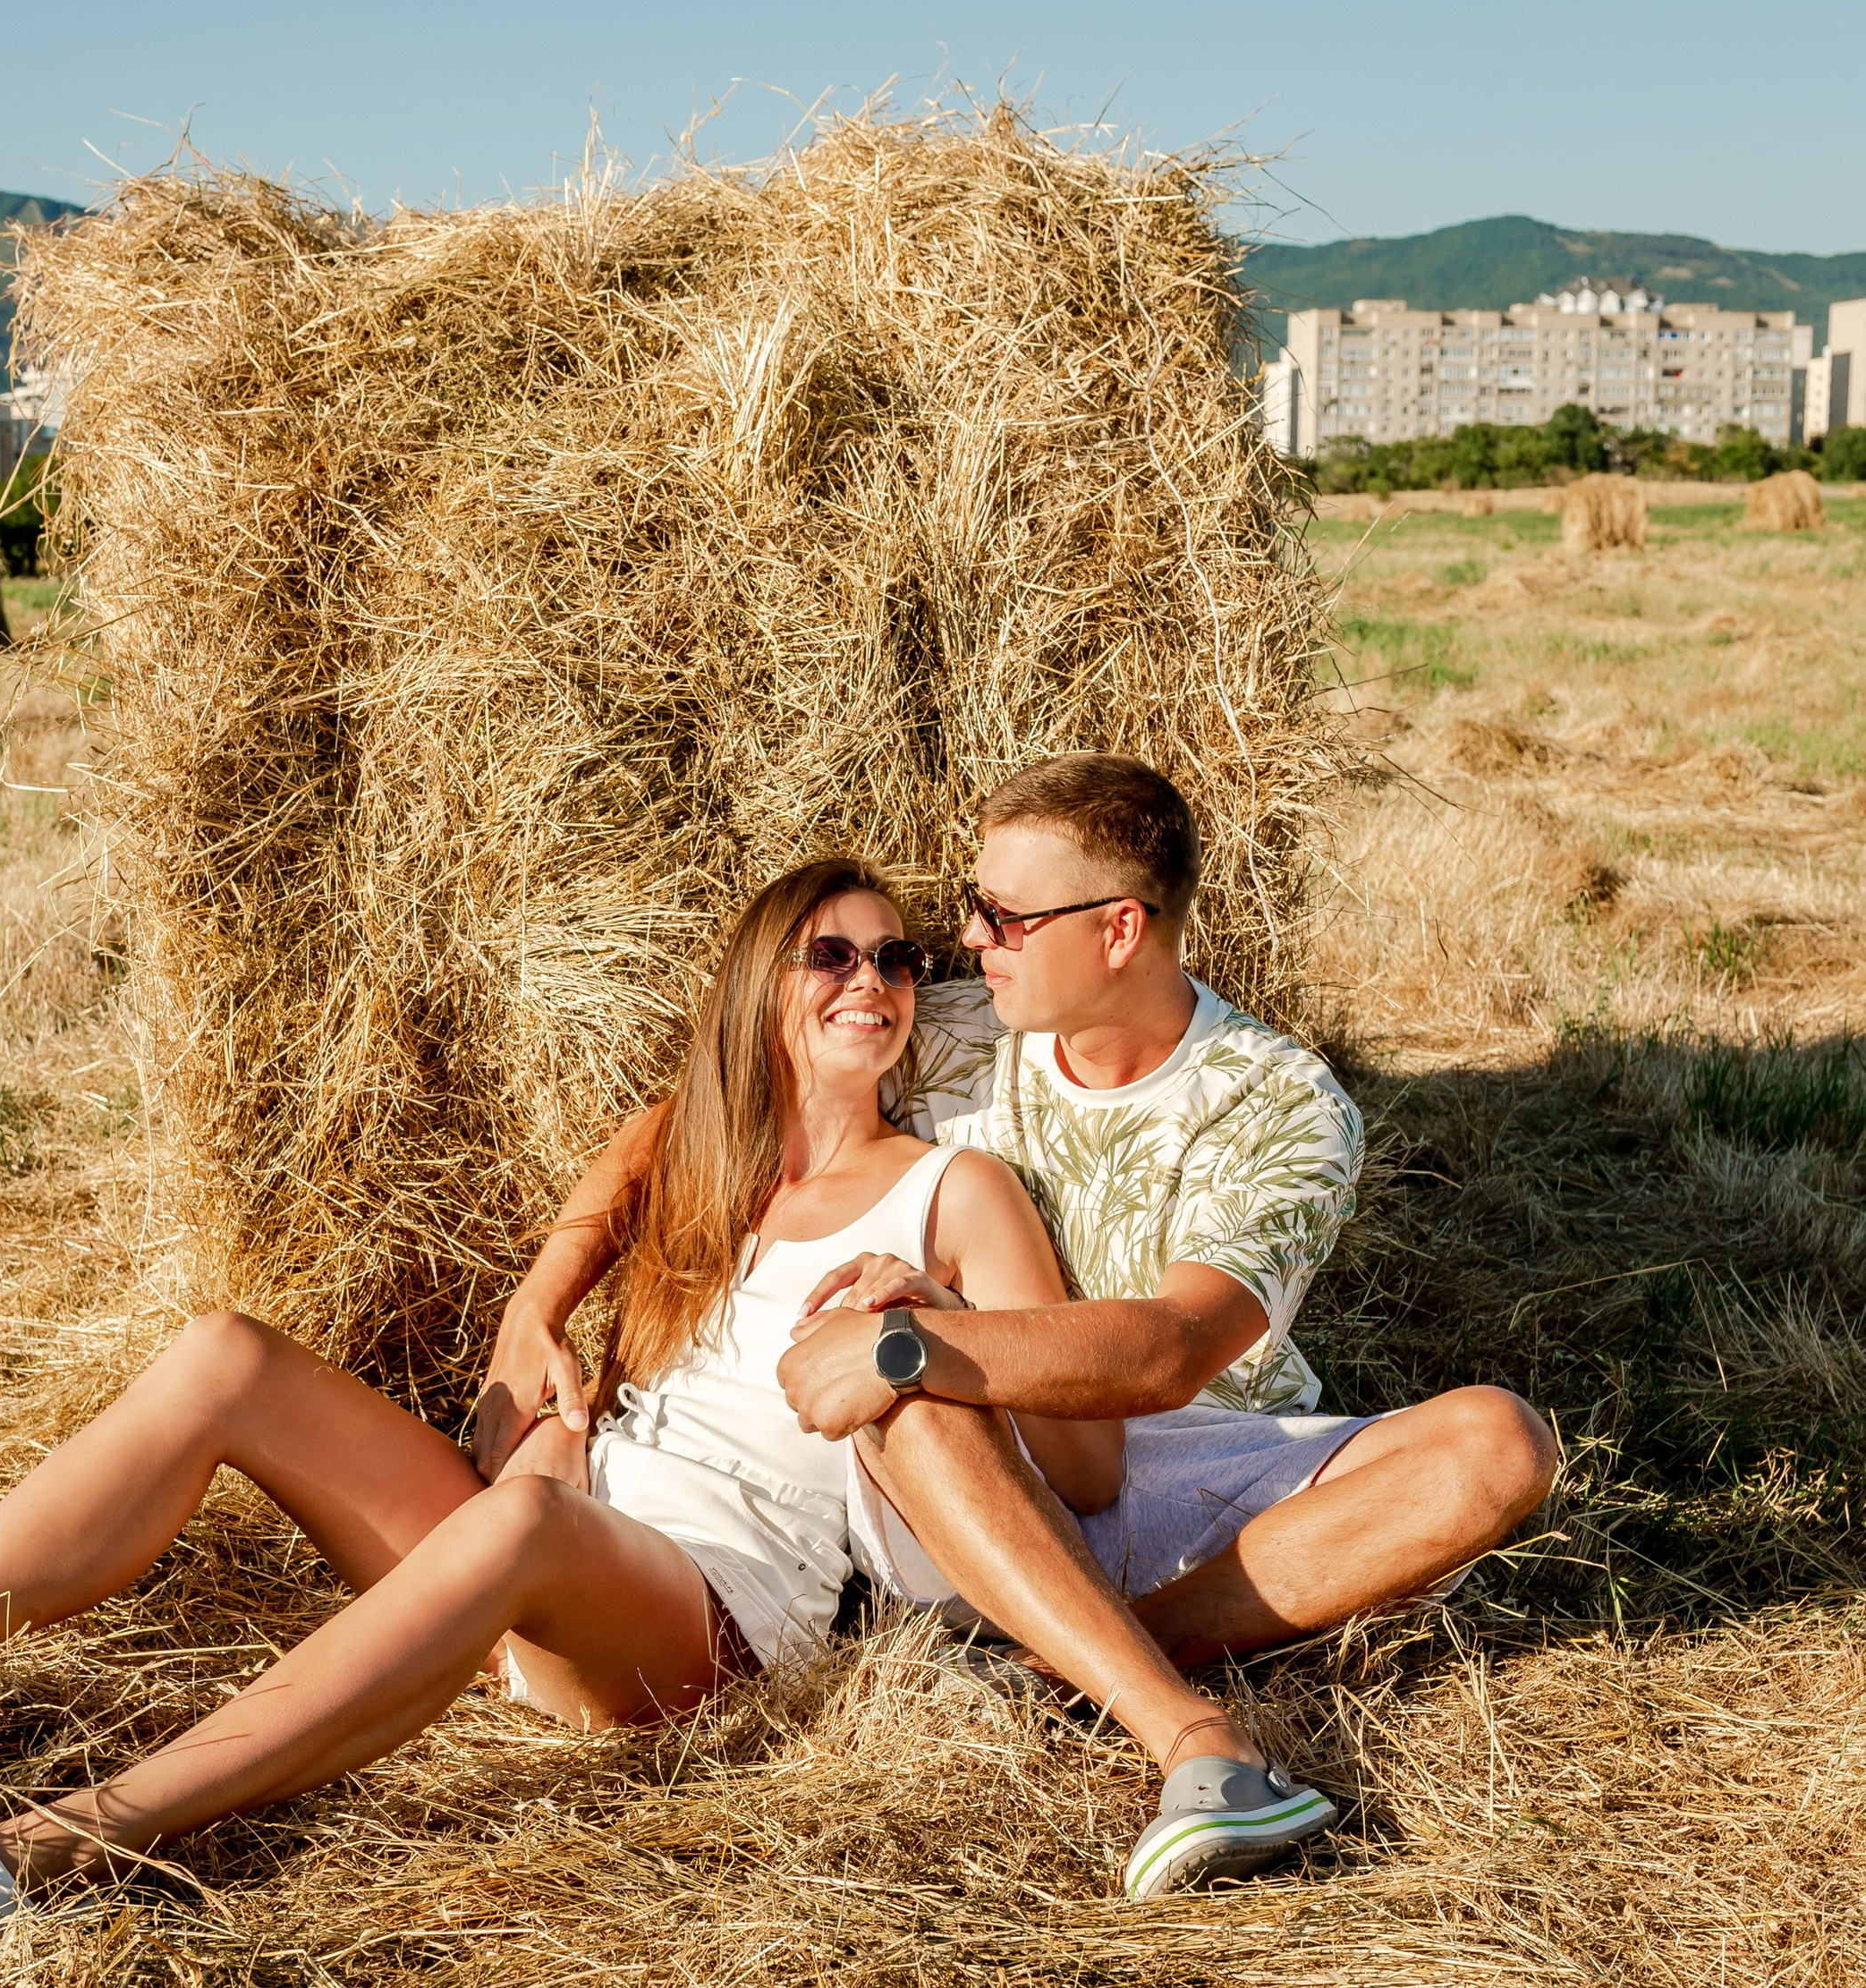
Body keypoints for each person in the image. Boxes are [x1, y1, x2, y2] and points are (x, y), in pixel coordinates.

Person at [0, 856, 1319, 1952]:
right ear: (763, 991)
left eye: (901, 958)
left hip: (699, 1612)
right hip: (555, 1531)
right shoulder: (706, 1155)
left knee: (521, 1522)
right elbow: (621, 1175)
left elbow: (1088, 1469)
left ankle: (59, 1846)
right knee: (224, 1356)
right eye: (832, 955)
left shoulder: (955, 1188)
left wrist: (943, 1329)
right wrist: (532, 1317)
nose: (874, 979)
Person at [479, 756, 1558, 1898]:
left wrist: (930, 1336)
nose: (963, 941)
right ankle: (1170, 1709)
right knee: (911, 1375)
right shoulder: (951, 1026)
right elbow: (699, 1114)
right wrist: (539, 1299)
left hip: (1176, 1452)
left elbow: (1172, 1350)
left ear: (1118, 930)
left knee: (1500, 1443)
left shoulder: (1277, 1103)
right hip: (966, 1466)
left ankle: (1069, 1663)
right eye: (969, 908)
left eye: (1003, 916)